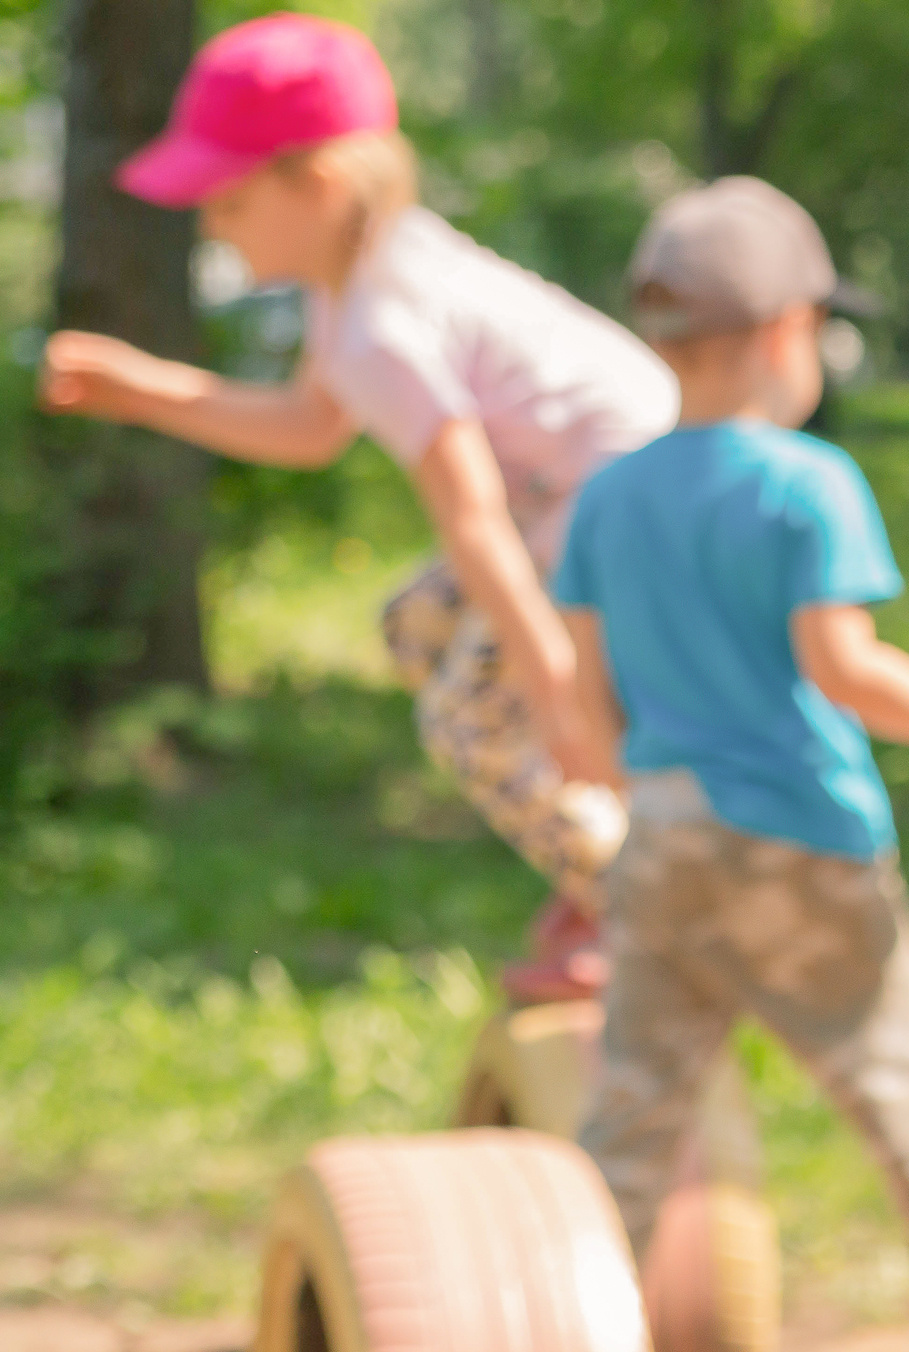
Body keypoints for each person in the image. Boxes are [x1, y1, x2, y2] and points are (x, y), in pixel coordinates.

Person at [556, 177, 909, 1352]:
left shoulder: (609, 496)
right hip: (800, 840)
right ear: (790, 333)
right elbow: (844, 670)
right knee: (905, 1097)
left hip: (666, 832)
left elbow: (584, 708)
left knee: (629, 1122)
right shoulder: (806, 482)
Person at [37, 13, 676, 1001]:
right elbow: (308, 426)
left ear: (319, 185)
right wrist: (140, 389)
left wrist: (554, 678)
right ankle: (602, 863)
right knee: (413, 626)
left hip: (624, 500)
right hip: (585, 495)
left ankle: (645, 906)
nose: (209, 224)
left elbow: (469, 516)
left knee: (472, 714)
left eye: (230, 200)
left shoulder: (383, 320)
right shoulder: (360, 282)